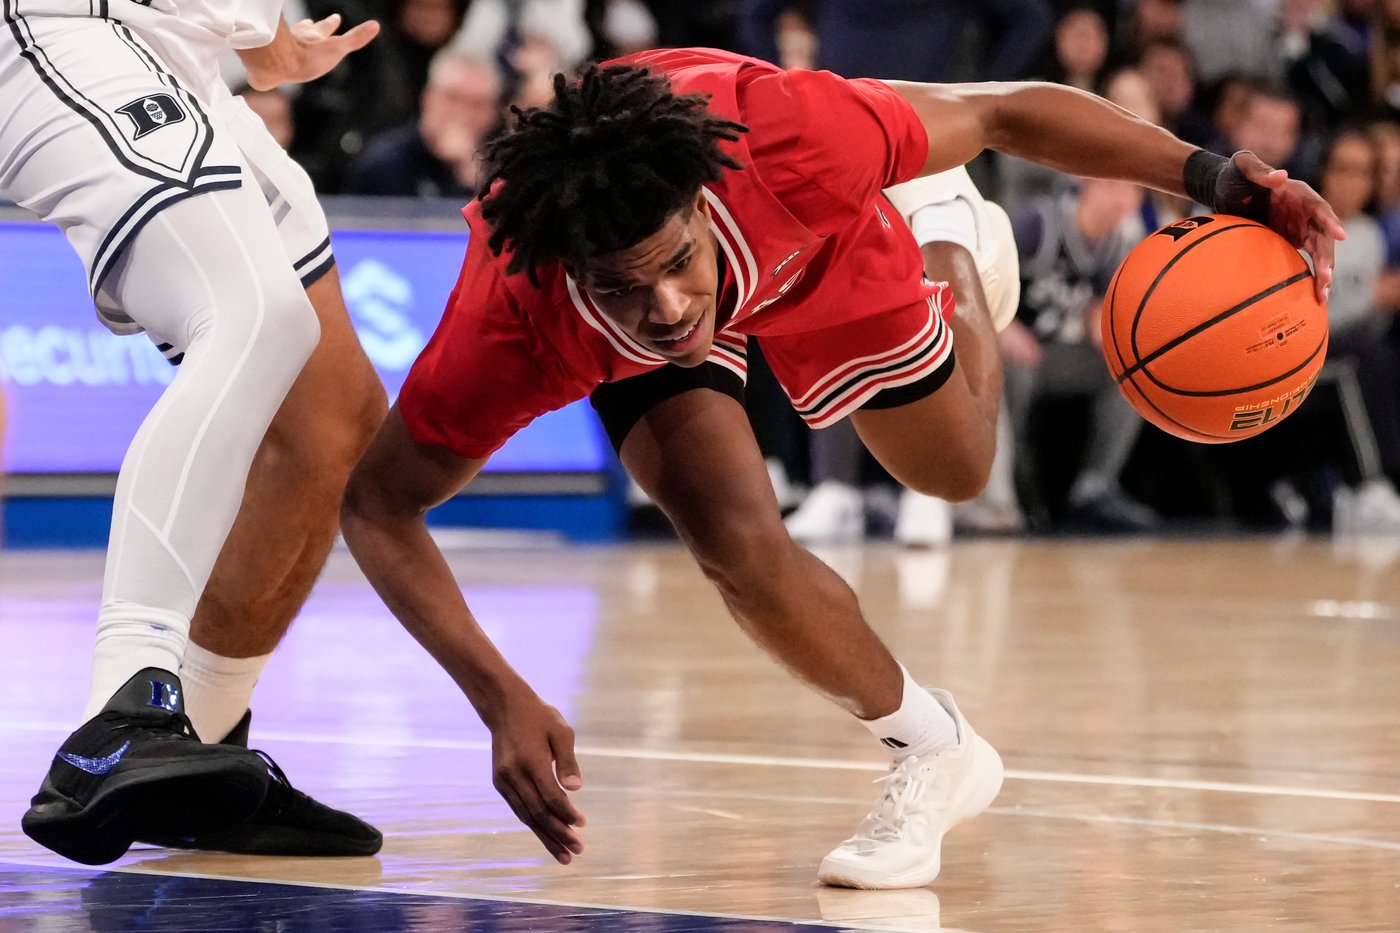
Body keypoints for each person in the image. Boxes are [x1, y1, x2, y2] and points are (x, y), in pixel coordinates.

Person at [340, 49, 1341, 888]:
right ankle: (936, 747)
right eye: (623, 285)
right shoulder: (513, 322)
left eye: (675, 262)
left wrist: (1213, 176)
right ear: (569, 274)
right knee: (732, 544)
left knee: (952, 473)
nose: (667, 306)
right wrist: (498, 695)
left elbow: (998, 110)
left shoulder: (790, 141)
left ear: (700, 205)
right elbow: (378, 509)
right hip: (644, 305)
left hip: (801, 245)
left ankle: (944, 235)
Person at [5, 4, 387, 864]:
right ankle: (122, 715)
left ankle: (201, 759)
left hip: (181, 50)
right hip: (63, 20)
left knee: (334, 422)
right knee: (255, 316)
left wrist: (252, 29)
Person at [346, 50, 504, 197]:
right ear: (428, 98)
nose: (464, 113)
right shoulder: (386, 162)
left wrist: (471, 176)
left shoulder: (501, 165)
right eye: (453, 99)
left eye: (478, 104)